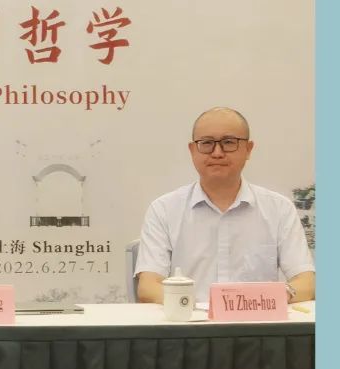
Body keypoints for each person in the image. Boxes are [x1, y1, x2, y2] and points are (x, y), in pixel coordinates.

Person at [135, 107, 315, 304]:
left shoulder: (279, 209)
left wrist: (266, 300)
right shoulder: (164, 209)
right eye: (207, 143)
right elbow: (149, 287)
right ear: (192, 150)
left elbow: (306, 283)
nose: (217, 153)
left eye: (229, 142)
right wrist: (197, 308)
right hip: (189, 318)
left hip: (258, 318)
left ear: (248, 149)